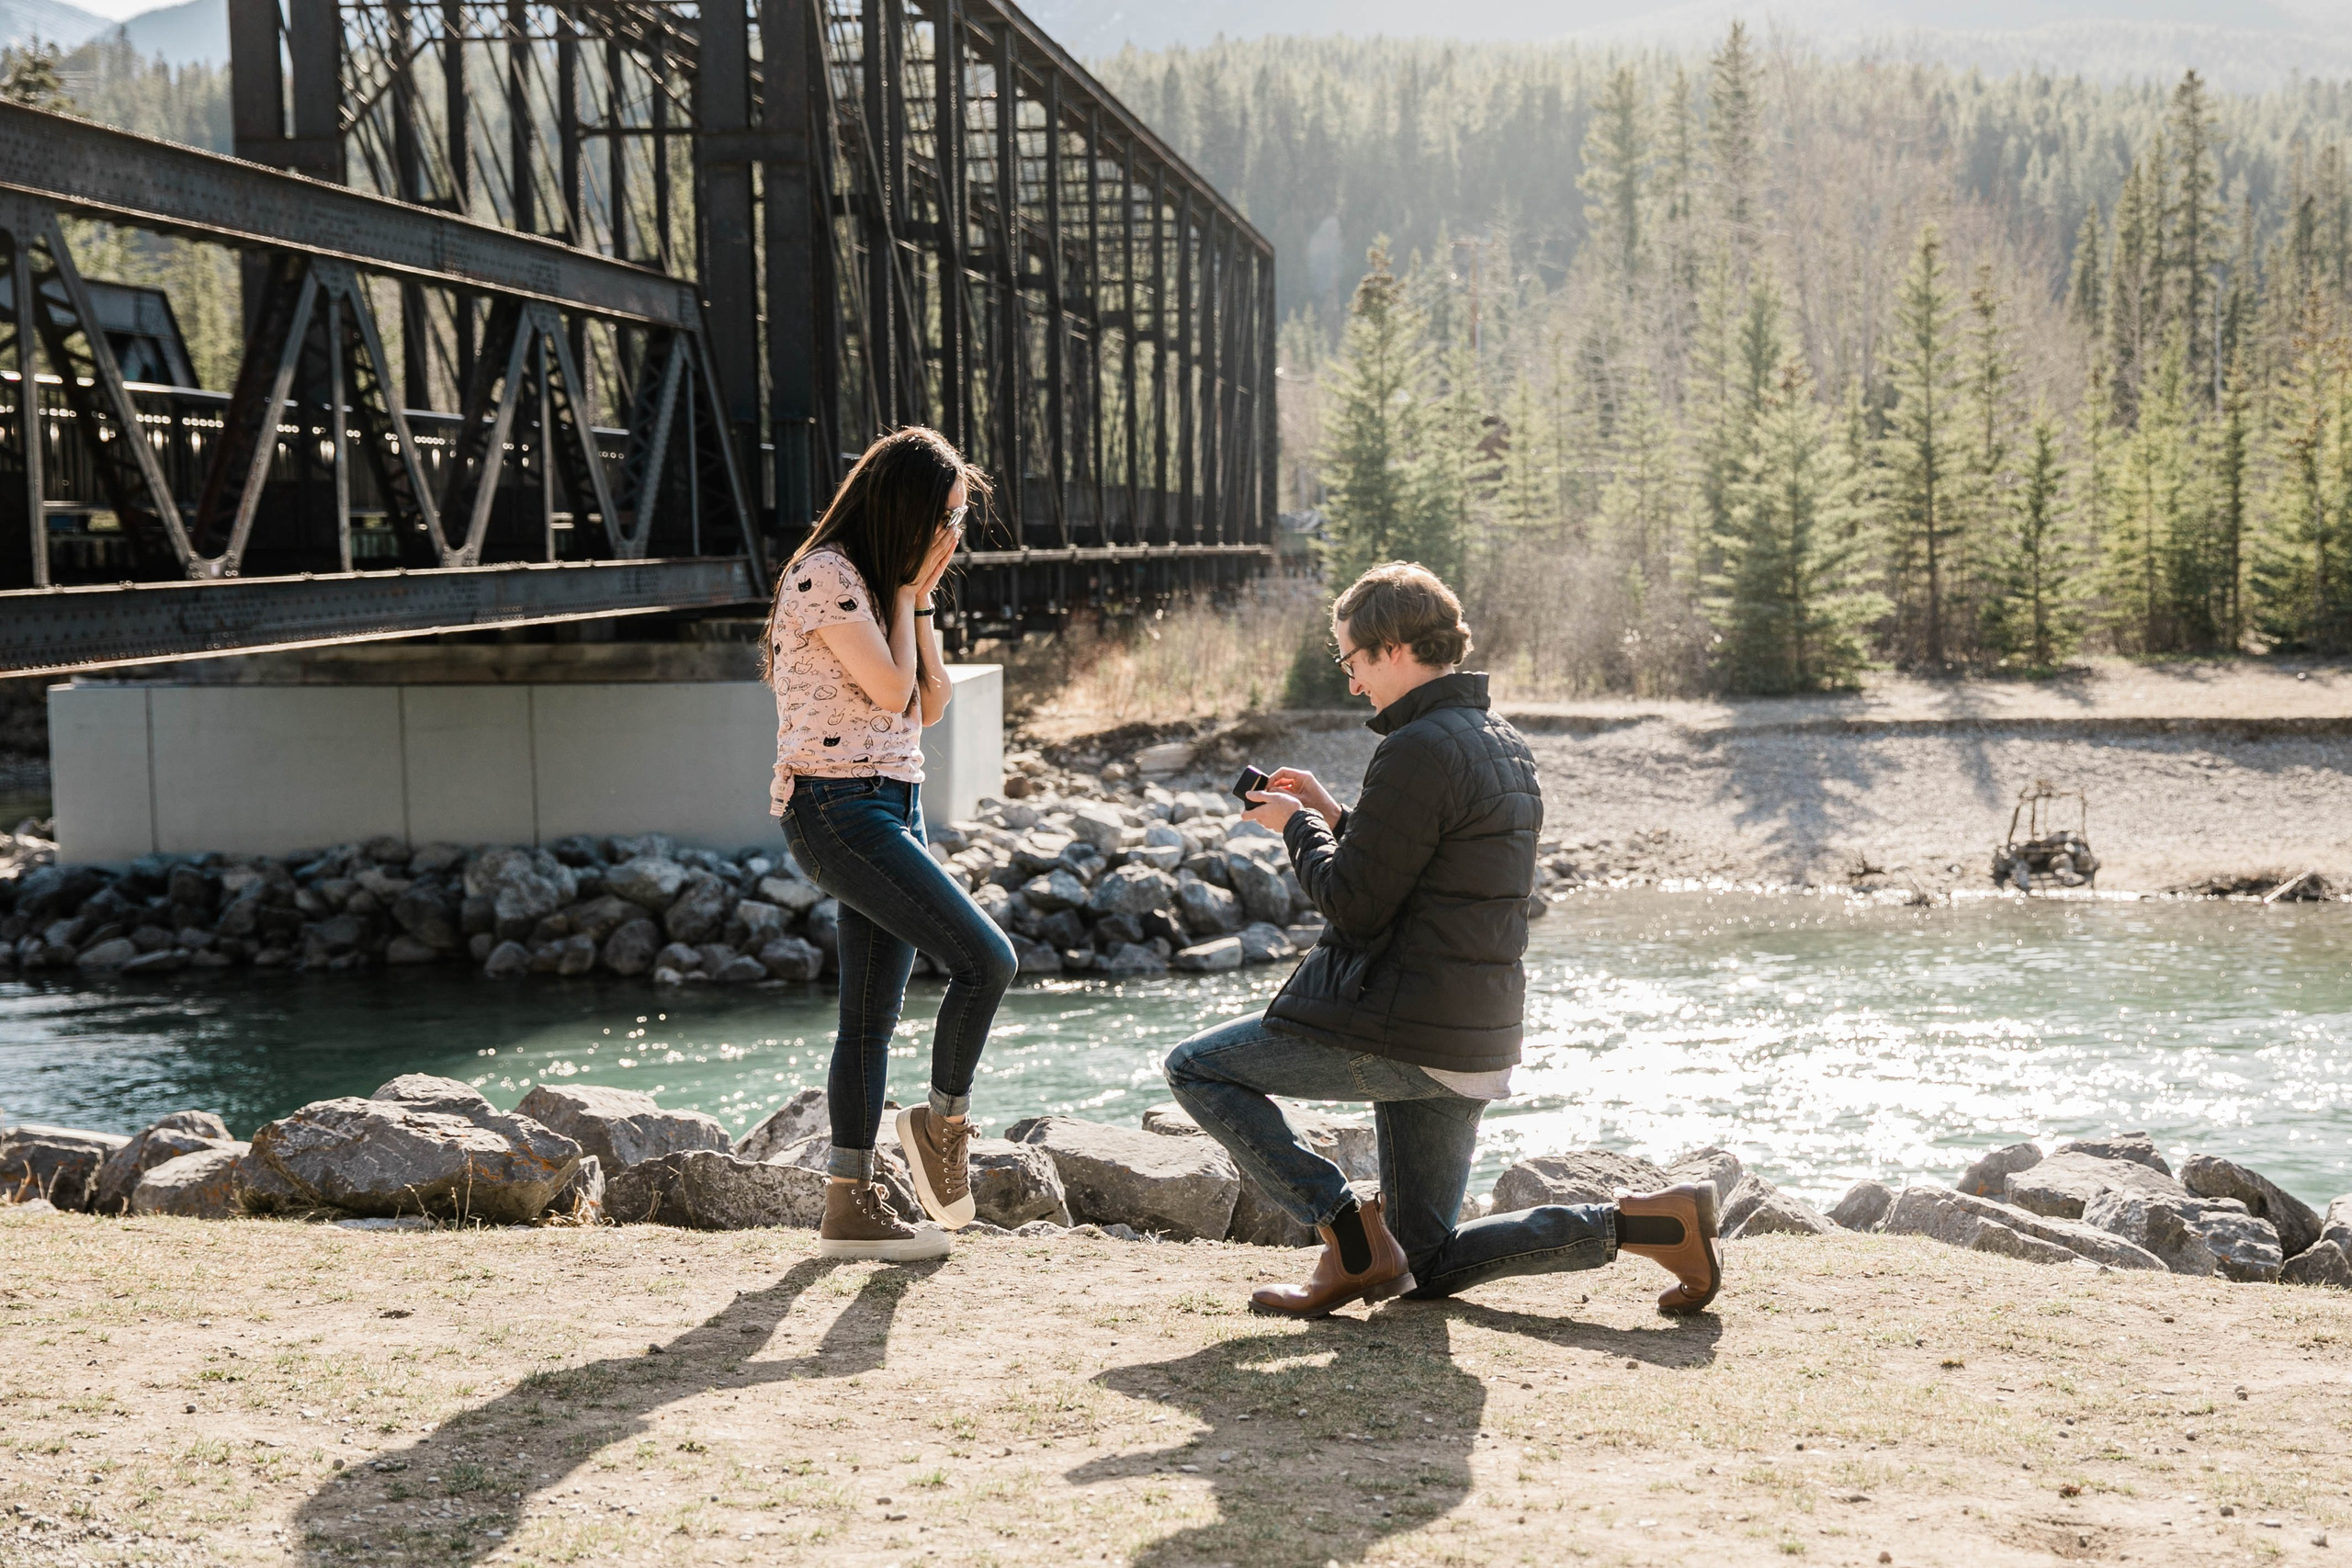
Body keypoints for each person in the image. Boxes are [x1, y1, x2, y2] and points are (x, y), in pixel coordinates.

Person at [1162, 562, 1721, 1317]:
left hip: (1407, 1031)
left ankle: (1347, 1233)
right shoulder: (1501, 740)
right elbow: (1422, 870)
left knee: (1195, 1067)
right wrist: (1336, 813)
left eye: (1352, 661)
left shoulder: (1416, 747)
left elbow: (1355, 905)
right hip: (1472, 1035)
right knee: (1423, 1262)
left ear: (1393, 648)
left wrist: (1298, 826)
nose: (1352, 682)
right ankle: (1653, 1224)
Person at [766, 426, 1017, 1262]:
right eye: (945, 515)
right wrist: (909, 595)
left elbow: (929, 704)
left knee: (868, 1020)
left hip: (892, 807)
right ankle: (941, 1126)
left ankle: (849, 1204)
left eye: (959, 518)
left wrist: (919, 601)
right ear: (903, 507)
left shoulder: (882, 585)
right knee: (988, 960)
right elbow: (889, 689)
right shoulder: (826, 576)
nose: (953, 533)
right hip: (836, 809)